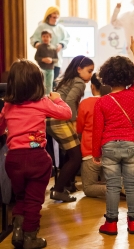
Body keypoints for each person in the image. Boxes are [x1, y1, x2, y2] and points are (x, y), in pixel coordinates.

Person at [0, 59, 71, 249]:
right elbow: (66, 113)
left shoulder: (8, 106)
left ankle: (17, 230)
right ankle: (30, 237)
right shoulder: (42, 102)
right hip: (37, 159)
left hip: (13, 160)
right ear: (38, 82)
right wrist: (57, 98)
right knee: (34, 200)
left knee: (21, 196)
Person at [92, 37, 134, 235]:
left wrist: (95, 153)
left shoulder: (101, 102)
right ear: (128, 76)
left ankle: (111, 224)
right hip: (131, 144)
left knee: (113, 186)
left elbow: (97, 130)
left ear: (105, 76)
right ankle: (133, 223)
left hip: (109, 146)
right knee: (132, 185)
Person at [47, 55, 94, 202]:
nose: (91, 75)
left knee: (71, 154)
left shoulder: (68, 80)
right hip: (59, 121)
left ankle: (64, 185)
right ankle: (59, 190)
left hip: (51, 120)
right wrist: (74, 122)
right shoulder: (79, 82)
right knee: (76, 156)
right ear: (79, 69)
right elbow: (69, 101)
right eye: (89, 70)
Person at [76, 73, 111, 198]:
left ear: (92, 86)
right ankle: (119, 187)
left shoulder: (86, 103)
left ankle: (113, 189)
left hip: (90, 152)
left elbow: (79, 129)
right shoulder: (112, 102)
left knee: (88, 187)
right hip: (110, 152)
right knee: (109, 179)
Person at [30, 6, 70, 86]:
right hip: (43, 60)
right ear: (49, 16)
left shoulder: (61, 28)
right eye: (54, 17)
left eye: (57, 17)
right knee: (43, 82)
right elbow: (33, 38)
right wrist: (37, 44)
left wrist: (61, 44)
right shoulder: (42, 27)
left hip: (55, 60)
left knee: (54, 81)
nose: (56, 19)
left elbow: (67, 39)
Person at [35, 29, 58, 95]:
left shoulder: (53, 48)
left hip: (50, 69)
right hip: (42, 69)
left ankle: (49, 97)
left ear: (50, 38)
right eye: (44, 36)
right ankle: (43, 96)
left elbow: (56, 59)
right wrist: (43, 59)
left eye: (47, 36)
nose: (45, 38)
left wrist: (51, 60)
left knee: (49, 84)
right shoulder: (40, 47)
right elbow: (36, 57)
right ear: (41, 37)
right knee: (43, 83)